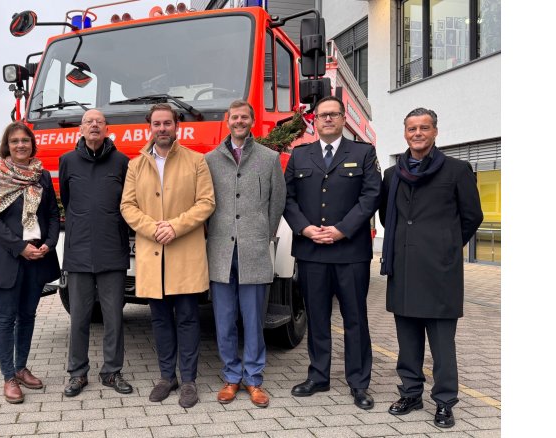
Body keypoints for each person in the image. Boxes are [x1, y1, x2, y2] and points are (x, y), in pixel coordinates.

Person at [378, 108, 483, 428]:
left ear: (435, 132)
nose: (418, 133)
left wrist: (446, 245)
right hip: (404, 267)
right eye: (412, 128)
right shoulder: (392, 175)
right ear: (405, 133)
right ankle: (410, 393)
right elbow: (386, 216)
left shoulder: (457, 170)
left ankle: (444, 401)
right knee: (407, 340)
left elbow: (471, 217)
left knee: (441, 343)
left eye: (424, 128)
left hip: (440, 269)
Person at [283, 96, 381, 410]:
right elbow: (287, 198)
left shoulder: (363, 153)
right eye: (323, 115)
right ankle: (318, 376)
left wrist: (341, 229)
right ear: (314, 120)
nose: (328, 119)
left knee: (355, 319)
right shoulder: (300, 156)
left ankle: (358, 383)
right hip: (312, 251)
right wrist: (305, 229)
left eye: (334, 114)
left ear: (341, 119)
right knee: (317, 317)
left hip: (350, 251)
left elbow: (371, 195)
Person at [120, 103, 215, 408]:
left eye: (167, 123)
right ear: (150, 128)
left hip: (184, 252)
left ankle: (188, 380)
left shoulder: (197, 161)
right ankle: (166, 377)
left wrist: (175, 227)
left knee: (187, 318)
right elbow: (127, 206)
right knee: (160, 320)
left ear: (177, 126)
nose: (162, 129)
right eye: (156, 124)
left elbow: (206, 203)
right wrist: (152, 228)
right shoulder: (136, 165)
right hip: (152, 253)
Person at [204, 100, 285, 408]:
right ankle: (230, 376)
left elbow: (276, 203)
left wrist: (264, 235)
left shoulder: (269, 158)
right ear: (228, 121)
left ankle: (253, 379)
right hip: (221, 250)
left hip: (254, 250)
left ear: (252, 121)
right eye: (234, 117)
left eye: (244, 117)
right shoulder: (210, 160)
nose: (239, 121)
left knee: (253, 319)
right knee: (224, 320)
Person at [0, 122, 60, 404]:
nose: (21, 145)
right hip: (7, 258)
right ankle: (8, 377)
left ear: (32, 144)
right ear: (7, 145)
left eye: (25, 140)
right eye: (15, 141)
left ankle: (21, 367)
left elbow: (52, 213)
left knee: (27, 315)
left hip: (37, 258)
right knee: (5, 318)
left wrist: (49, 243)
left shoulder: (42, 176)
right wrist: (20, 247)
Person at [59, 109, 133, 398]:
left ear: (106, 129)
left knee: (114, 317)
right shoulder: (67, 162)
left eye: (98, 122)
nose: (93, 126)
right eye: (88, 122)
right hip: (78, 252)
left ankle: (112, 372)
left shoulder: (122, 162)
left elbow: (127, 203)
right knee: (79, 317)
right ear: (80, 129)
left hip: (112, 250)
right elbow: (67, 199)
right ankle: (78, 374)